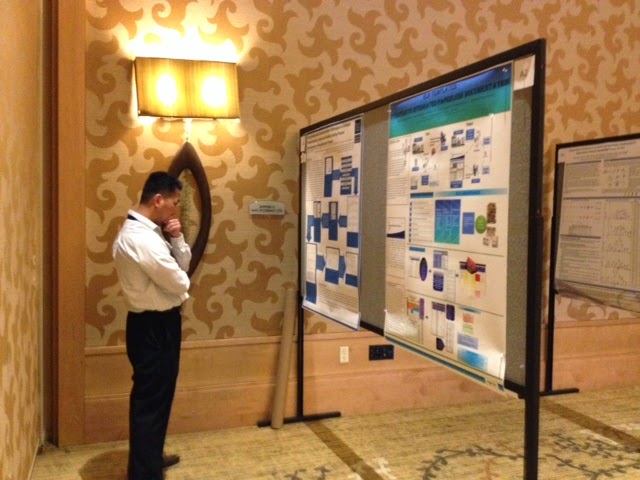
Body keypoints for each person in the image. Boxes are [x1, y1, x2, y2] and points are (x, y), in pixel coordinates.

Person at [112, 171, 192, 480]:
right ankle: (144, 473)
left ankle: (150, 460)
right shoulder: (140, 239)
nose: (176, 209)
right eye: (175, 203)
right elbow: (180, 281)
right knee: (151, 402)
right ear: (158, 200)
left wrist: (177, 239)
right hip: (153, 327)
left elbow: (181, 268)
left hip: (155, 325)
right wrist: (180, 276)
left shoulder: (150, 233)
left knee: (158, 399)